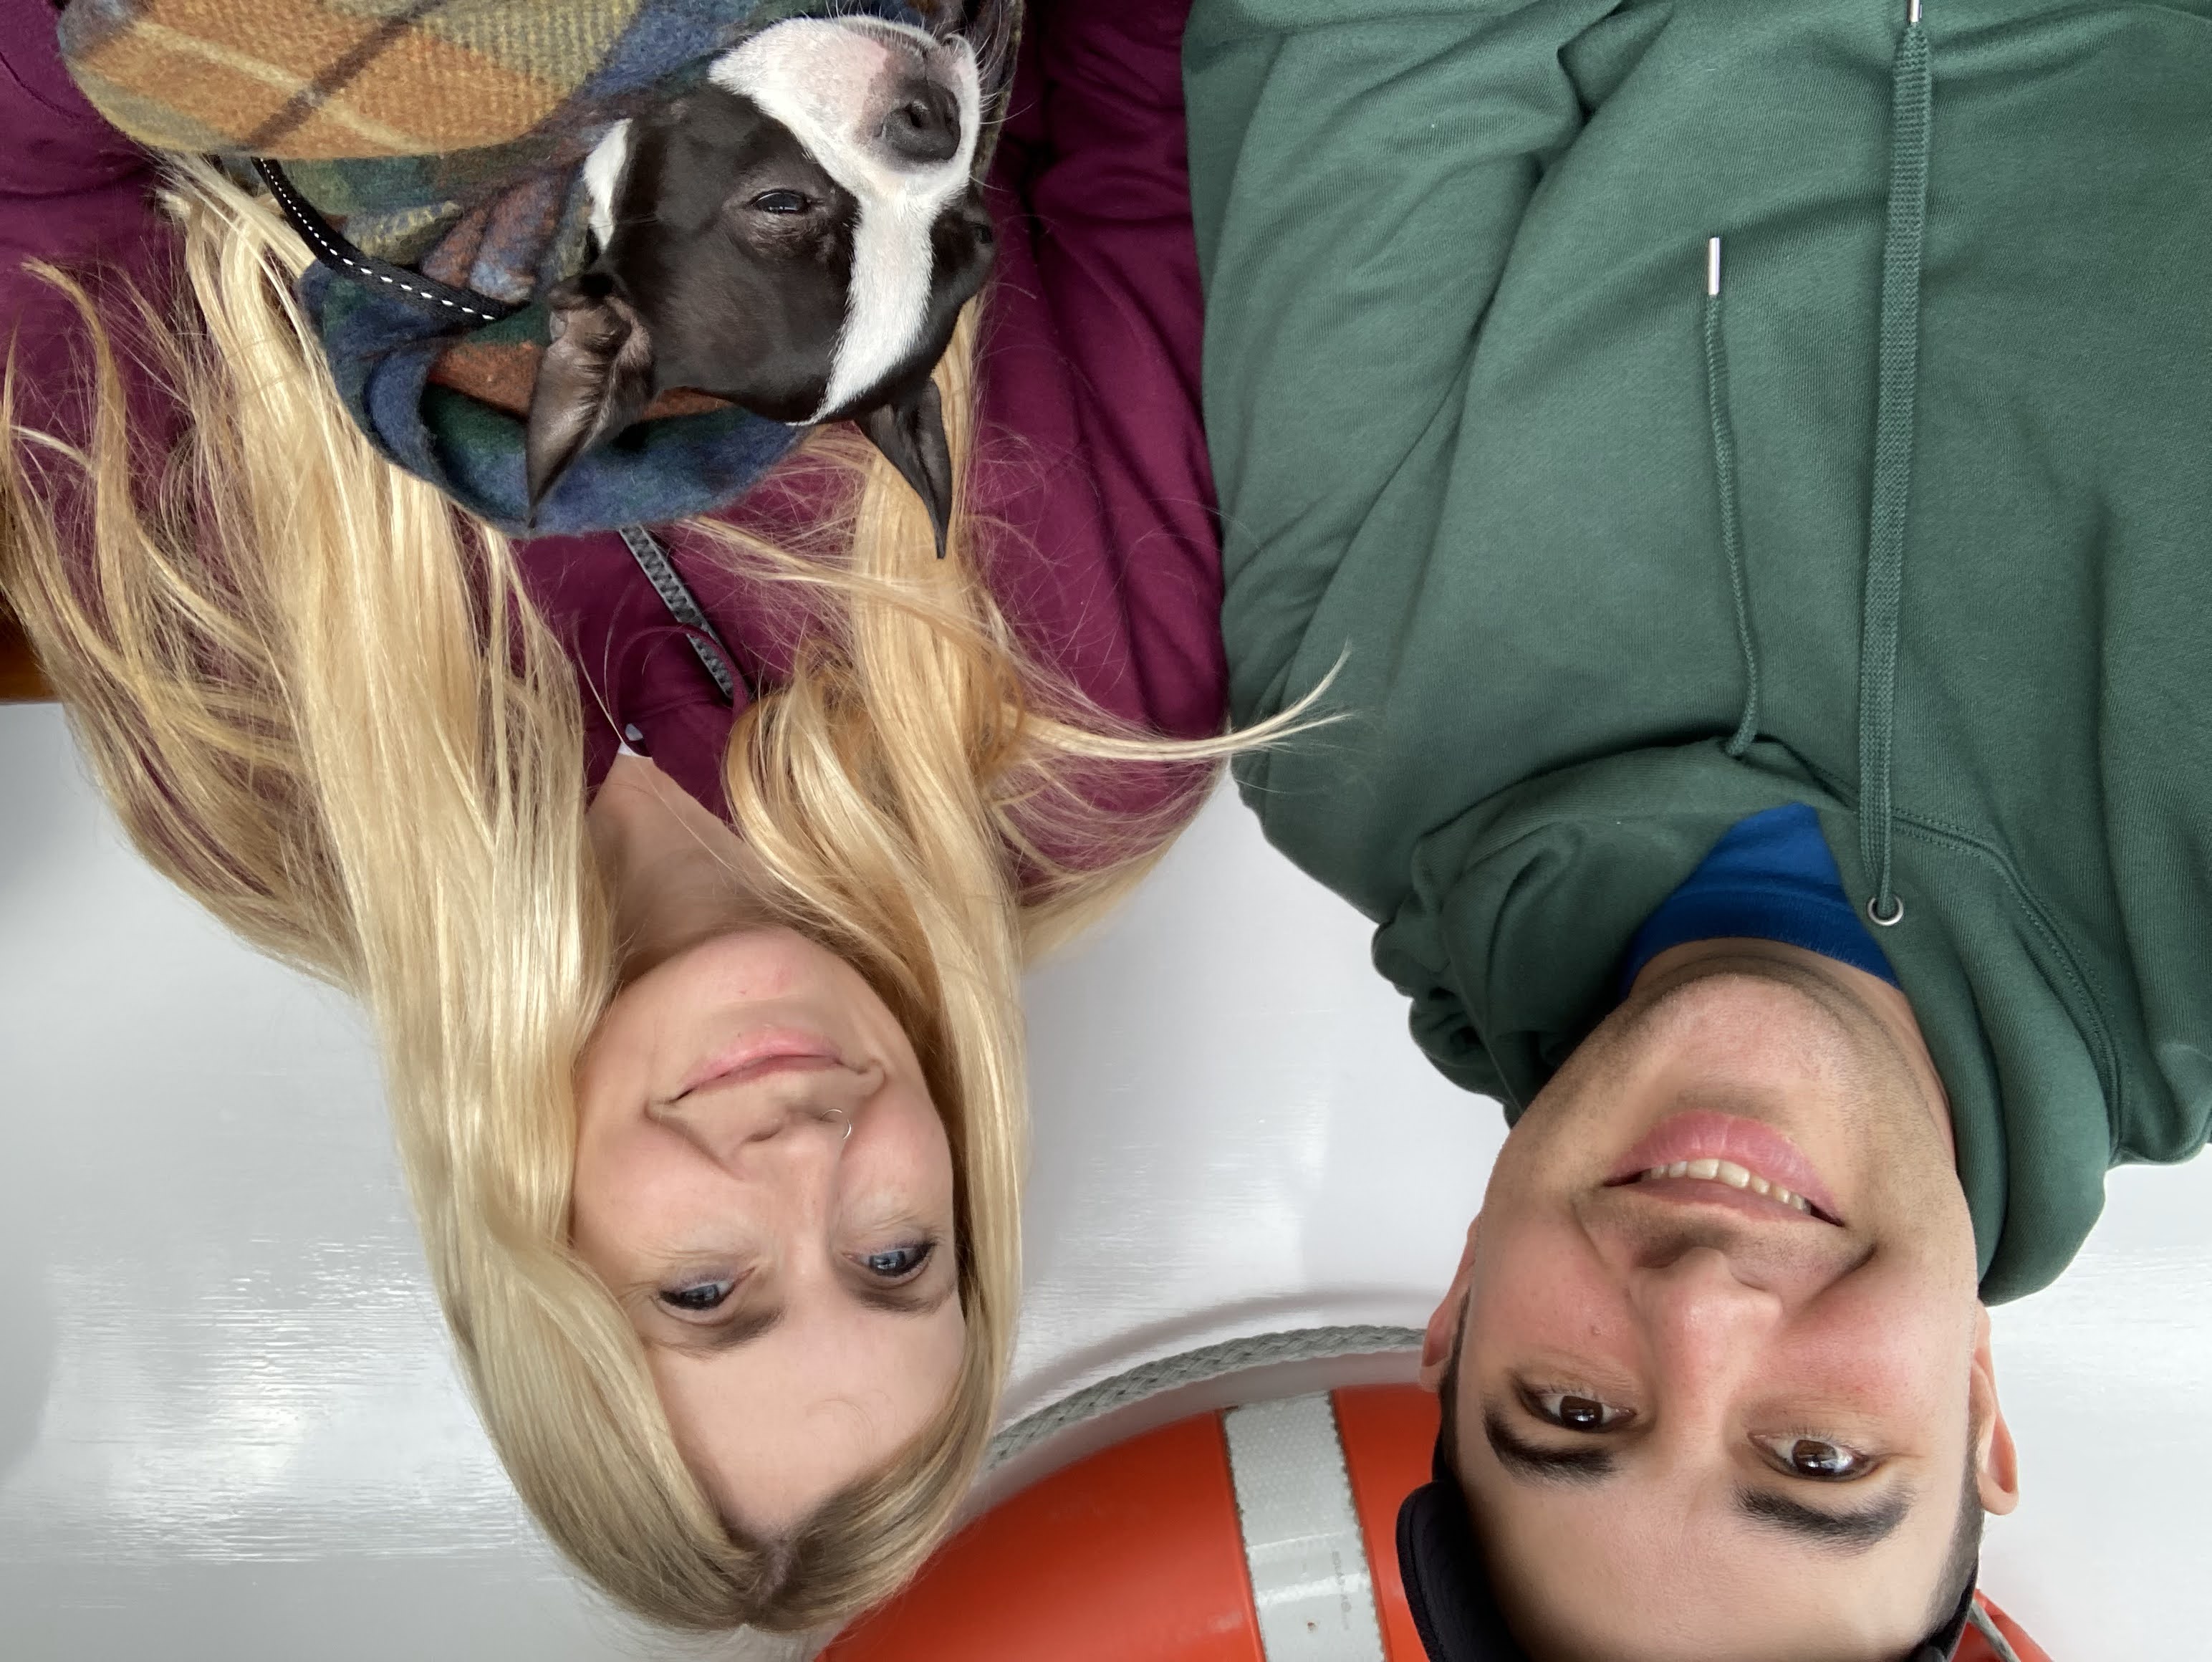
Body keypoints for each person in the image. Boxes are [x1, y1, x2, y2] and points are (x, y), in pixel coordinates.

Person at [1, 0, 1242, 1633]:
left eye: (706, 1288)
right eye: (893, 1257)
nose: (803, 1164)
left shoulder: (250, 783)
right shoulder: (1096, 733)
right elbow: (1138, 100)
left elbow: (42, 192)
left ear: (540, 1263)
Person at [1182, 0, 2210, 1656]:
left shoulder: (1344, 729)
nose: (1705, 1304)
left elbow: (1356, 31)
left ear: (1454, 1319)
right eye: (1814, 1455)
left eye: (1573, 1410)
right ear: (1973, 1405)